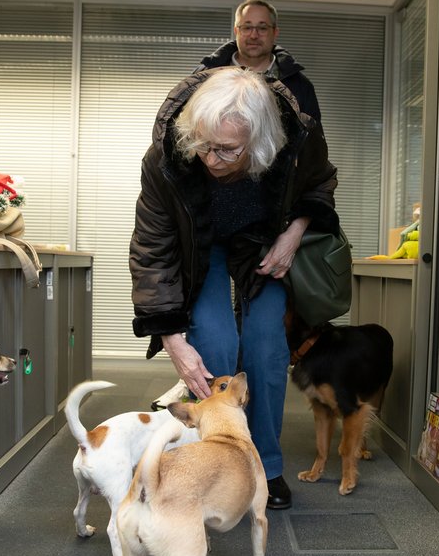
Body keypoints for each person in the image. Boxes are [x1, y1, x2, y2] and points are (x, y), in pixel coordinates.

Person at [129, 67, 339, 510]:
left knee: (266, 350)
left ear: (261, 141)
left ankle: (265, 466)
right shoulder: (165, 158)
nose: (210, 159)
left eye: (226, 150)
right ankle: (214, 466)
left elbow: (320, 183)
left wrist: (295, 233)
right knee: (212, 348)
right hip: (198, 251)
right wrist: (171, 338)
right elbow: (152, 247)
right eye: (202, 145)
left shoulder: (296, 142)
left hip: (261, 247)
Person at [196, 0, 322, 125]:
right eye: (247, 27)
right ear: (236, 31)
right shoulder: (205, 76)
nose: (254, 35)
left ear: (275, 32)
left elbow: (313, 141)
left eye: (262, 28)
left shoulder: (300, 86)